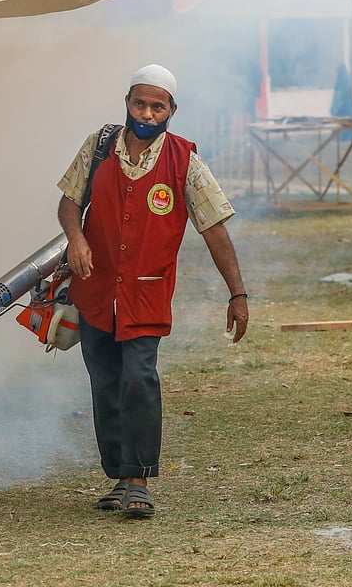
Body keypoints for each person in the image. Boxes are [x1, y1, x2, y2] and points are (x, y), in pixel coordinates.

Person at [56, 63, 248, 520]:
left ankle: (139, 480)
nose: (146, 112)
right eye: (140, 103)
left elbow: (214, 229)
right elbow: (68, 202)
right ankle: (120, 476)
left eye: (157, 106)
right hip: (96, 290)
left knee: (139, 378)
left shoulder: (185, 161)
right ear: (127, 102)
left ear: (171, 110)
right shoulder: (99, 146)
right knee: (105, 382)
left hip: (146, 294)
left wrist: (237, 294)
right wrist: (76, 239)